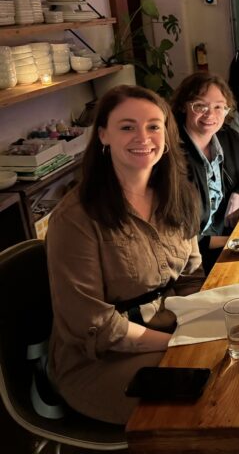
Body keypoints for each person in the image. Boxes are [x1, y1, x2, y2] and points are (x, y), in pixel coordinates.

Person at [46, 85, 204, 424]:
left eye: (153, 126)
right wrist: (177, 343)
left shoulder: (178, 194)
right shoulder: (75, 218)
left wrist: (204, 326)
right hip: (101, 361)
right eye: (127, 126)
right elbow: (94, 325)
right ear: (103, 135)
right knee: (208, 401)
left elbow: (191, 277)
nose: (143, 137)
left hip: (169, 333)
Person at [171, 73, 239, 273]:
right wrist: (236, 240)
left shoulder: (226, 137)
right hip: (196, 261)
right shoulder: (171, 155)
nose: (210, 115)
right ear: (184, 106)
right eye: (200, 106)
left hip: (230, 238)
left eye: (218, 107)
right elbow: (179, 235)